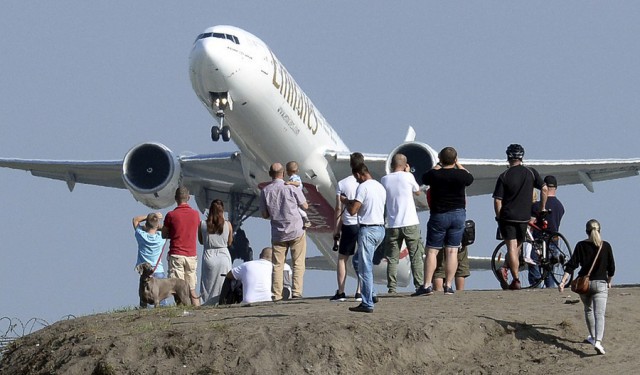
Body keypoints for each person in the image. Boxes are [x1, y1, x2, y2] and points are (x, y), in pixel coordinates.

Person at [414, 147, 473, 296]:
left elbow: (425, 177)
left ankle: (427, 285)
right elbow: (469, 177)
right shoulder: (461, 175)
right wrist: (458, 164)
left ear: (440, 158)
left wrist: (438, 164)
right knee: (452, 250)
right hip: (458, 214)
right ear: (455, 159)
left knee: (432, 251)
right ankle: (448, 286)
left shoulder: (435, 175)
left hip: (439, 215)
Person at [492, 144, 548, 290]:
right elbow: (544, 189)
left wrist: (498, 217)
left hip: (508, 216)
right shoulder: (531, 172)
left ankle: (516, 279)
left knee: (511, 247)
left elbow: (498, 200)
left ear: (508, 157)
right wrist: (541, 208)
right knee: (517, 246)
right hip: (524, 217)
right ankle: (507, 269)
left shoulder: (504, 176)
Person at [559, 219, 615, 355]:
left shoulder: (580, 245)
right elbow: (611, 268)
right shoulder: (605, 246)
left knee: (588, 311)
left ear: (586, 231)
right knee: (599, 314)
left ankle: (593, 337)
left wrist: (563, 281)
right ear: (600, 230)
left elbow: (571, 265)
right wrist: (609, 281)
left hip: (584, 284)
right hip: (600, 284)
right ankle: (598, 342)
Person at [260, 162, 308, 301]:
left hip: (278, 232)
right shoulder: (291, 188)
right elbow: (305, 205)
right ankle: (296, 292)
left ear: (270, 174)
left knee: (277, 265)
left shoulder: (265, 191)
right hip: (296, 229)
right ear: (284, 173)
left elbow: (264, 214)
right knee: (298, 262)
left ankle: (276, 295)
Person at [342, 163, 386, 313]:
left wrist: (346, 202)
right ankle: (371, 293)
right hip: (380, 228)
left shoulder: (363, 187)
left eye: (356, 178)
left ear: (359, 174)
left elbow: (353, 211)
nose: (357, 181)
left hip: (368, 229)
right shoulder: (380, 187)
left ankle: (367, 303)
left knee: (364, 267)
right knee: (357, 261)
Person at [381, 153, 424, 293]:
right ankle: (419, 285)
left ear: (392, 164)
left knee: (392, 258)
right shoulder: (408, 176)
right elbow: (417, 192)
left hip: (393, 224)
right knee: (415, 256)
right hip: (410, 221)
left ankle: (392, 287)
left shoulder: (384, 179)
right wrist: (408, 172)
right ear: (405, 165)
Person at [330, 152, 364, 302]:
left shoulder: (342, 184)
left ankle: (341, 291)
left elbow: (338, 209)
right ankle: (359, 291)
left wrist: (336, 230)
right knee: (363, 258)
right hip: (363, 224)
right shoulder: (366, 183)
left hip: (349, 225)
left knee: (342, 259)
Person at [162, 186, 201, 306]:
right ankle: (198, 311)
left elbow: (164, 234)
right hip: (191, 255)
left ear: (175, 198)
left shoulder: (171, 215)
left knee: (177, 288)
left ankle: (181, 311)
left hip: (177, 253)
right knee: (191, 288)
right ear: (188, 198)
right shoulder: (195, 214)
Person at [529, 175, 565, 287]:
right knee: (550, 268)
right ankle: (550, 288)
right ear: (556, 188)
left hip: (540, 239)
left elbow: (531, 222)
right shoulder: (560, 206)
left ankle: (536, 286)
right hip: (554, 239)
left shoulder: (538, 205)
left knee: (534, 262)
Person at [198, 199, 233, 305]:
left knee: (208, 284)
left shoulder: (202, 224)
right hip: (223, 256)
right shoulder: (228, 224)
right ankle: (224, 301)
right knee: (224, 284)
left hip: (209, 255)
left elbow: (201, 241)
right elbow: (229, 242)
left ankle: (207, 303)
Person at [133, 212, 168, 307]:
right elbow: (166, 229)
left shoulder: (141, 235)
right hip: (158, 269)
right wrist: (157, 220)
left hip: (144, 271)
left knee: (144, 296)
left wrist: (149, 217)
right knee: (161, 297)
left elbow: (135, 219)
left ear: (146, 224)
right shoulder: (161, 237)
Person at [285, 161, 311, 229]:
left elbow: (298, 183)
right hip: (297, 194)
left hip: (297, 195)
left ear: (288, 171)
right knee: (297, 209)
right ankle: (304, 221)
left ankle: (306, 220)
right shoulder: (295, 177)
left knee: (296, 208)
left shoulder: (294, 178)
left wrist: (290, 183)